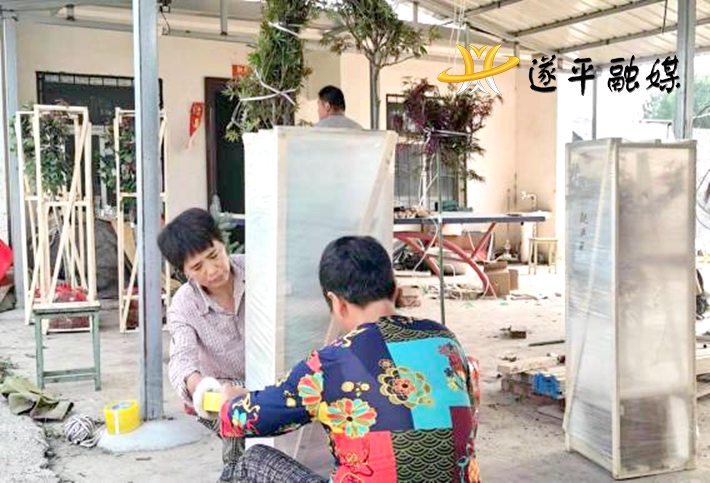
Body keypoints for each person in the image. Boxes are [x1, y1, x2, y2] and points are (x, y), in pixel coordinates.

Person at [220, 236, 481, 483]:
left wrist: (231, 402)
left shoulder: (330, 363)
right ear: (394, 289)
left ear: (337, 303)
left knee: (252, 460)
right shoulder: (444, 340)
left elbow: (251, 418)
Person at [157, 208, 245, 483]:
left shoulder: (258, 271)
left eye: (214, 255)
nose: (212, 270)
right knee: (236, 422)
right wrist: (201, 386)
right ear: (183, 272)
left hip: (272, 378)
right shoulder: (184, 304)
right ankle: (236, 470)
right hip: (223, 392)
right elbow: (181, 359)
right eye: (197, 268)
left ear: (222, 243)